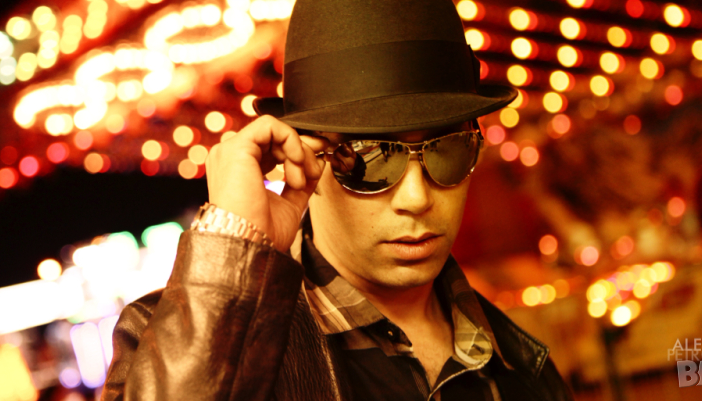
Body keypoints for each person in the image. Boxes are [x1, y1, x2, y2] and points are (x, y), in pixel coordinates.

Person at [102, 0, 573, 400]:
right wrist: (231, 252)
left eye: (447, 150)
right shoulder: (169, 343)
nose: (416, 198)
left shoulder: (519, 363)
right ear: (304, 156)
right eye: (368, 158)